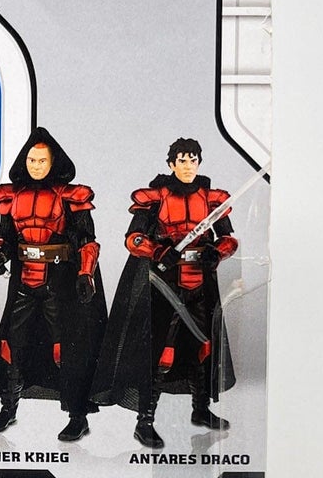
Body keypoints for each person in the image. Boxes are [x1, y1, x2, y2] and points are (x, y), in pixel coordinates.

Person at [92, 138, 239, 447]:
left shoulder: (211, 199)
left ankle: (201, 408)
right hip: (163, 284)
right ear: (172, 164)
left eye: (193, 160)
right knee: (159, 352)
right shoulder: (155, 198)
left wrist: (217, 252)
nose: (188, 166)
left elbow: (229, 239)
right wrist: (158, 251)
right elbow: (133, 238)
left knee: (202, 347)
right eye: (182, 161)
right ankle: (144, 420)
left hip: (199, 281)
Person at [0, 128, 106, 441]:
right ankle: (9, 408)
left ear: (53, 162)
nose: (36, 165)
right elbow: (5, 238)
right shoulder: (12, 197)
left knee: (66, 348)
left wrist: (85, 274)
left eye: (42, 160)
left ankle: (77, 415)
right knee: (13, 345)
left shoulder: (70, 197)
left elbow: (87, 241)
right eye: (31, 160)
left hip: (59, 282)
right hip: (25, 281)